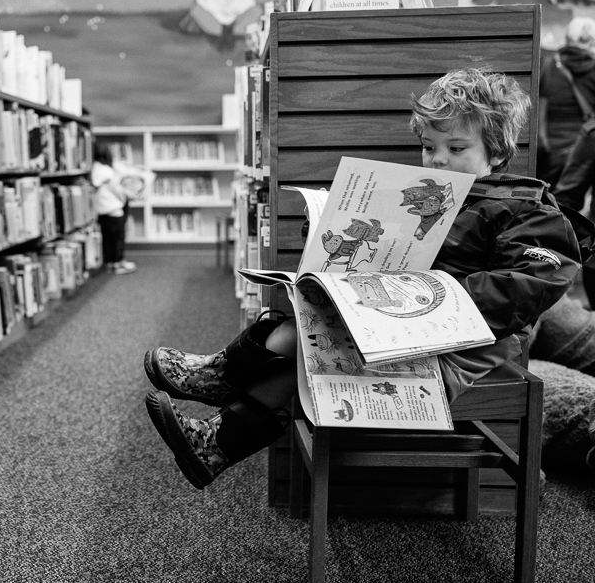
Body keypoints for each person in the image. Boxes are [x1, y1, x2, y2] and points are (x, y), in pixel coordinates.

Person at [143, 68, 586, 489]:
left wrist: (423, 296)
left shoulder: (528, 210)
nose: (439, 160)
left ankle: (220, 391)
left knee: (321, 341)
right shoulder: (423, 197)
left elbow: (527, 285)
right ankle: (216, 432)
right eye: (430, 147)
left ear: (497, 152)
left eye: (456, 149)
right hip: (400, 325)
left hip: (460, 347)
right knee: (309, 314)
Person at [538, 17, 595, 189]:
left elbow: (541, 108)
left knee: (557, 203)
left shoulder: (550, 65)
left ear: (568, 39)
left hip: (554, 150)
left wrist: (544, 143)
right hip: (587, 148)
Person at [92, 142, 137, 275]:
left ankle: (110, 262)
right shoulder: (108, 172)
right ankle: (118, 262)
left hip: (101, 211)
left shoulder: (95, 169)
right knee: (118, 238)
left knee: (107, 239)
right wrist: (129, 196)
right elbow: (118, 190)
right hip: (114, 211)